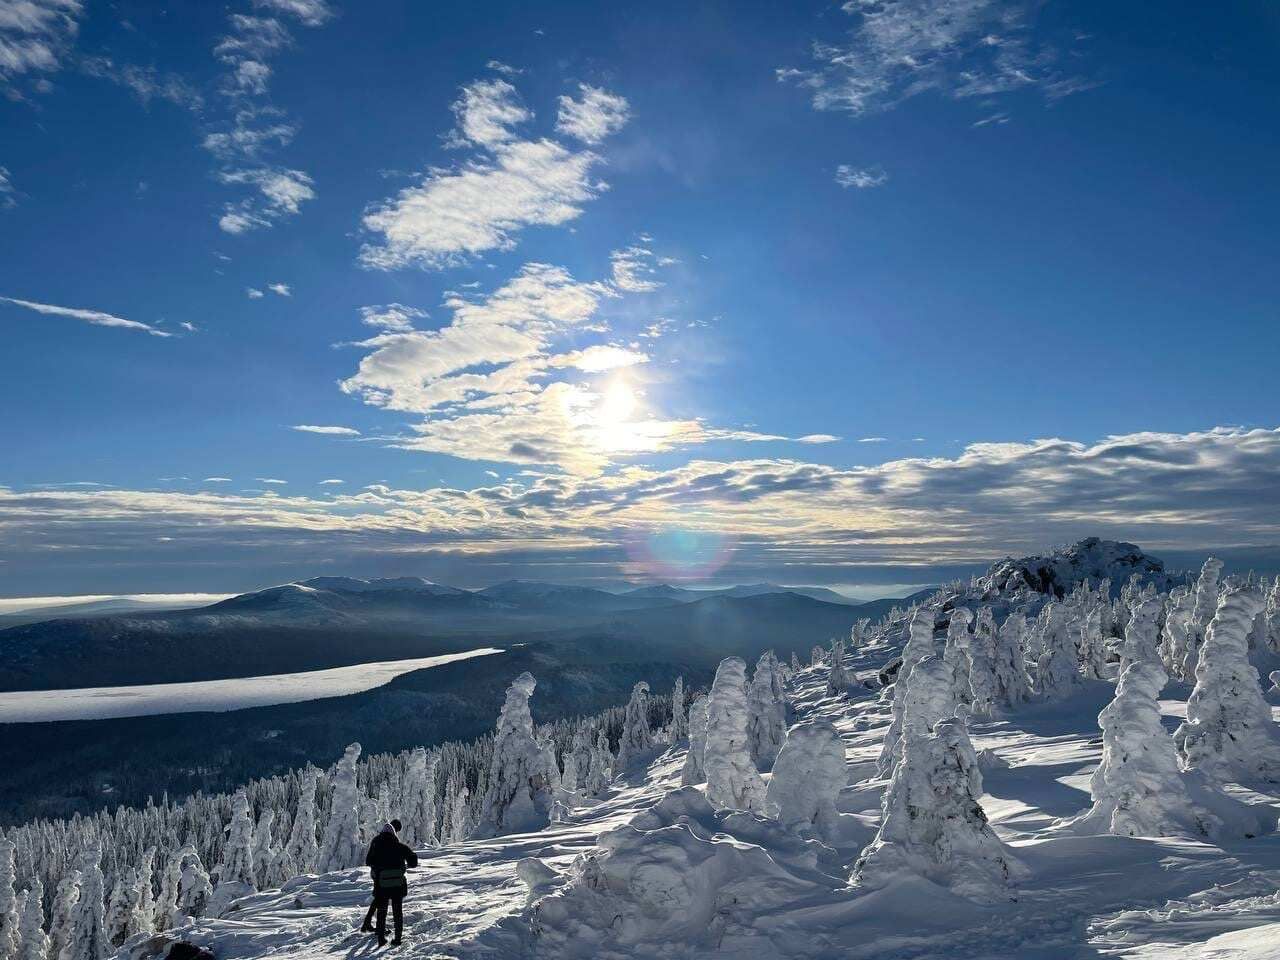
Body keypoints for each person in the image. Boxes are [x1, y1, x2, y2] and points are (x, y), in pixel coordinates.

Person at [362, 819, 418, 946]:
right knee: (397, 911)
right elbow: (413, 861)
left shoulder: (376, 844)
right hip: (398, 885)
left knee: (382, 910)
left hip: (381, 884)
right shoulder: (399, 846)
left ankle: (381, 938)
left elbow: (368, 861)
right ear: (394, 834)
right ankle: (397, 938)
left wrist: (378, 867)